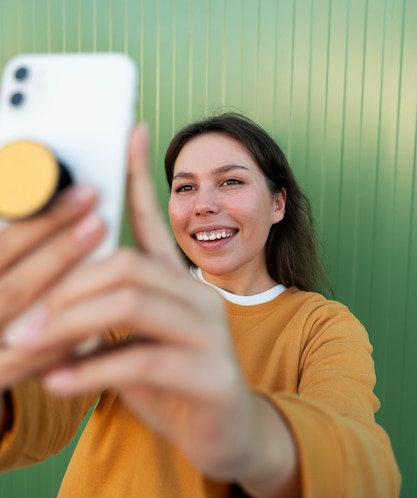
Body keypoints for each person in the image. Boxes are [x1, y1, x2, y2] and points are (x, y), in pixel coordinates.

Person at [0, 112, 401, 497]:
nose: (202, 205)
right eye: (185, 187)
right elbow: (40, 408)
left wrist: (248, 435)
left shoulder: (323, 327)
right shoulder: (133, 299)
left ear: (278, 204)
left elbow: (365, 472)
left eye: (230, 182)